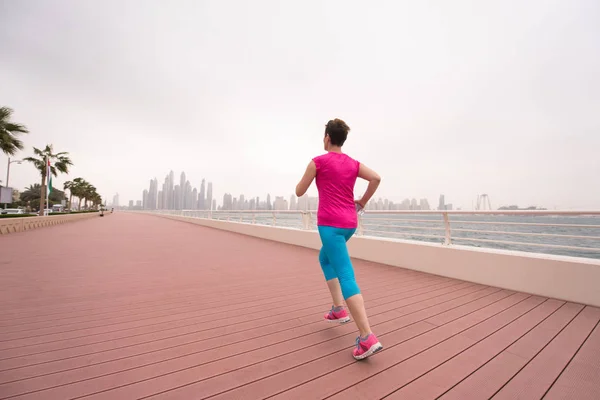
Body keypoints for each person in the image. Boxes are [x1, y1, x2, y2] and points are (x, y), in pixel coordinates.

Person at [295, 118, 383, 360]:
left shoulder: (318, 162)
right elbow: (376, 178)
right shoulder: (353, 163)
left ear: (327, 138)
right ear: (342, 139)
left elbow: (299, 191)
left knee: (345, 274)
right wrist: (362, 202)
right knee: (325, 259)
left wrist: (309, 176)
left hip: (330, 226)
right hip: (349, 224)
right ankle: (337, 309)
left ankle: (366, 337)